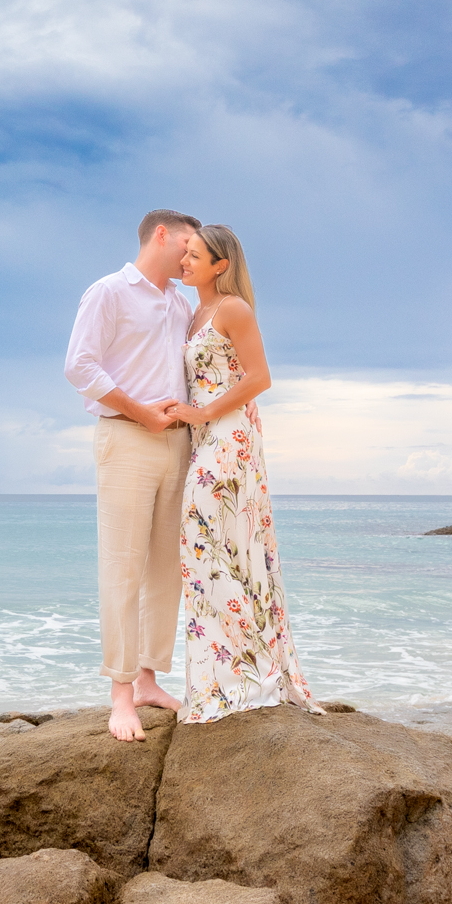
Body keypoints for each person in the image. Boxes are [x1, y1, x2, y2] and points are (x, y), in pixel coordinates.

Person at [64, 208, 202, 742]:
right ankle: (120, 694)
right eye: (188, 244)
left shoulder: (180, 301)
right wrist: (141, 411)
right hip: (125, 437)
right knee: (122, 567)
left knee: (166, 566)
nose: (191, 256)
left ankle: (147, 679)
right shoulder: (109, 292)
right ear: (162, 235)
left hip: (178, 443)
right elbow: (80, 366)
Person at [174, 223, 318, 724]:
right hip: (207, 438)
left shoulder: (233, 309)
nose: (185, 261)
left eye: (195, 256)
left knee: (211, 547)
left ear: (222, 265)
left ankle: (246, 678)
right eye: (185, 254)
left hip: (230, 438)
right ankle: (229, 674)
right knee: (212, 552)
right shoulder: (194, 313)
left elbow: (260, 378)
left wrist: (201, 413)